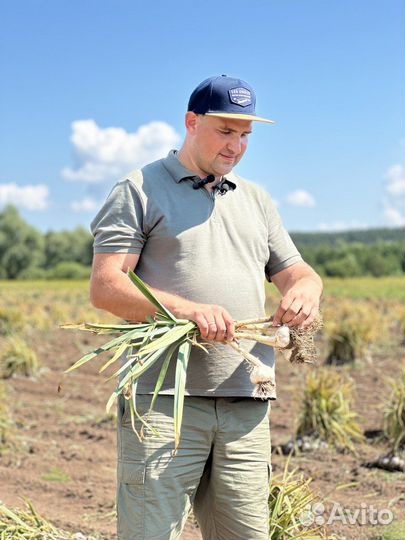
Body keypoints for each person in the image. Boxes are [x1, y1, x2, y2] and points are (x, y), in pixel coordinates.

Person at [89, 75, 323, 540]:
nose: (235, 146)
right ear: (191, 122)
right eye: (225, 131)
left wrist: (306, 292)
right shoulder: (139, 188)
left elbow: (298, 272)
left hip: (246, 401)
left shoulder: (256, 200)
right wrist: (188, 311)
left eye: (245, 136)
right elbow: (106, 286)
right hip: (163, 405)